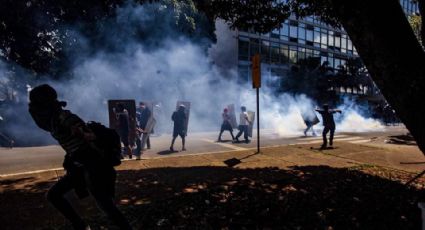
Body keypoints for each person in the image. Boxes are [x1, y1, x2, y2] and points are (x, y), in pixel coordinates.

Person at [28, 84, 131, 230]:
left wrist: (83, 134)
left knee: (107, 207)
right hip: (80, 166)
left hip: (93, 166)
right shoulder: (53, 120)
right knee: (54, 195)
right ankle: (81, 226)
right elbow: (38, 118)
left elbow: (91, 136)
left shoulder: (64, 117)